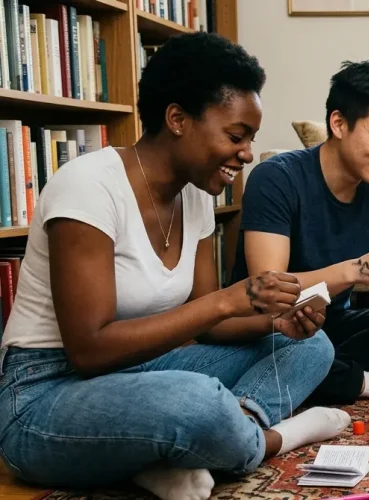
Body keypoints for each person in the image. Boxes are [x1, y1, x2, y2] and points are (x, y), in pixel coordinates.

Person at [0, 32, 349, 500]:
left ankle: (202, 438)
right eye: (235, 135)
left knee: (310, 347)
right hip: (44, 393)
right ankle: (267, 439)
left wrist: (276, 321)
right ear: (178, 119)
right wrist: (230, 299)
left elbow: (207, 327)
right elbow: (88, 351)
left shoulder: (195, 195)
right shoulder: (88, 187)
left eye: (250, 139)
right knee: (196, 401)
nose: (246, 153)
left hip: (141, 372)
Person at [233, 60, 369, 405]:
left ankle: (322, 377)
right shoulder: (276, 178)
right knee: (297, 347)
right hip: (273, 326)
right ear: (338, 123)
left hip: (331, 323)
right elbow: (269, 289)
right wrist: (355, 268)